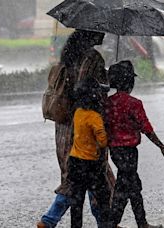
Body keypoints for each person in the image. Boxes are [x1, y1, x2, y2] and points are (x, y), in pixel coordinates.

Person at [37, 30, 115, 228]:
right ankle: (50, 220)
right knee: (97, 175)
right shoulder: (92, 58)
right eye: (100, 31)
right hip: (85, 125)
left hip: (64, 126)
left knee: (73, 174)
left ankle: (103, 222)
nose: (104, 35)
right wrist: (109, 81)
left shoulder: (67, 56)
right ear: (91, 34)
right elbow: (93, 90)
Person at [106, 61, 164, 228]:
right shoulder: (134, 103)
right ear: (130, 82)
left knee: (131, 185)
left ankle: (137, 222)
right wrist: (161, 146)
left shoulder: (107, 103)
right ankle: (116, 223)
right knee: (126, 187)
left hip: (115, 151)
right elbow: (147, 128)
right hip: (130, 152)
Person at [68, 78, 112, 228]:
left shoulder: (78, 112)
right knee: (103, 197)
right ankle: (105, 225)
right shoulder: (95, 117)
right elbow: (103, 142)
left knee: (77, 202)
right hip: (91, 165)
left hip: (75, 162)